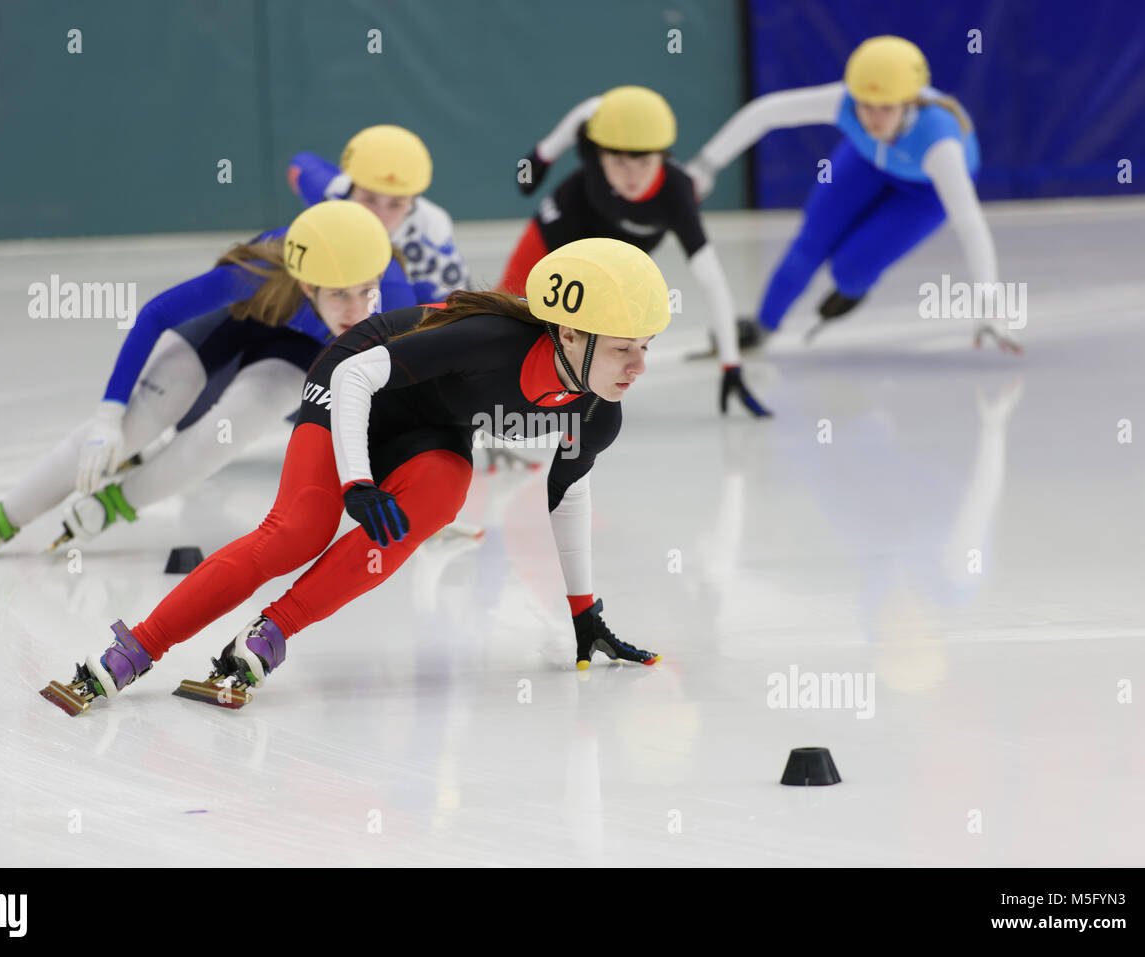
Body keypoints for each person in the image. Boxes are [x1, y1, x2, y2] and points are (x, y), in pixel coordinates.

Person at [42, 237, 672, 715]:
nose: (638, 366)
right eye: (624, 348)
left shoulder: (597, 412)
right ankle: (136, 649)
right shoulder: (489, 342)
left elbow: (567, 493)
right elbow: (354, 378)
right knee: (298, 532)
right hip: (353, 382)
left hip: (429, 424)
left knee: (435, 502)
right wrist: (356, 480)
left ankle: (267, 637)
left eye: (644, 345)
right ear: (570, 334)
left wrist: (583, 611)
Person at [0, 201, 412, 565]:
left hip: (297, 354)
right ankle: (2, 517)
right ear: (306, 285)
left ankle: (117, 503)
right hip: (232, 325)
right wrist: (108, 416)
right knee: (143, 420)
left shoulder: (391, 297)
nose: (355, 309)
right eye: (338, 294)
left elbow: (404, 386)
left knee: (238, 424)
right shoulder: (263, 271)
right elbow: (157, 313)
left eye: (365, 290)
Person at [685, 35, 1021, 352]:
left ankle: (853, 289)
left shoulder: (940, 145)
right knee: (810, 243)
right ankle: (763, 326)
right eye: (866, 106)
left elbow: (970, 224)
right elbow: (766, 113)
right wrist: (705, 166)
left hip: (925, 190)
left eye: (886, 108)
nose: (873, 119)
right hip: (867, 160)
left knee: (850, 270)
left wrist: (989, 306)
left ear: (910, 103)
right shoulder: (844, 102)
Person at [502, 85, 770, 417]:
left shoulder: (677, 195)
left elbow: (712, 280)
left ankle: (570, 387)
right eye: (618, 161)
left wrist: (731, 365)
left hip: (614, 258)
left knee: (591, 326)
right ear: (599, 153)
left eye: (643, 162)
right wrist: (543, 154)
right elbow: (589, 110)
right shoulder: (592, 144)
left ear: (663, 156)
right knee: (510, 305)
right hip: (564, 222)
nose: (631, 176)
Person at [288, 124, 468, 303]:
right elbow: (299, 166)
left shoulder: (433, 240)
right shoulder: (331, 191)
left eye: (395, 204)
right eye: (369, 199)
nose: (379, 216)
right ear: (352, 187)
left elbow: (456, 313)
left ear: (412, 201)